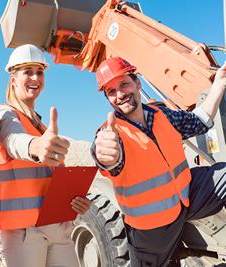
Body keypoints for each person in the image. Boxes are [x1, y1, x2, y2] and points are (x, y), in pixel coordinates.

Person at [92, 56, 226, 266]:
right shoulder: (110, 133)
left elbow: (198, 122)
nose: (119, 95)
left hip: (187, 199)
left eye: (124, 84)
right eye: (111, 91)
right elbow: (107, 159)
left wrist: (219, 84)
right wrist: (106, 157)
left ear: (137, 83)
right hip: (152, 231)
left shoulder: (162, 114)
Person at [0, 44, 91, 267]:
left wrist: (74, 201)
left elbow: (54, 180)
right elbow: (13, 140)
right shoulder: (6, 114)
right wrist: (35, 147)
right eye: (27, 72)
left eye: (39, 72)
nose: (35, 77)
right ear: (13, 79)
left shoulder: (42, 126)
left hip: (57, 226)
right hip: (24, 232)